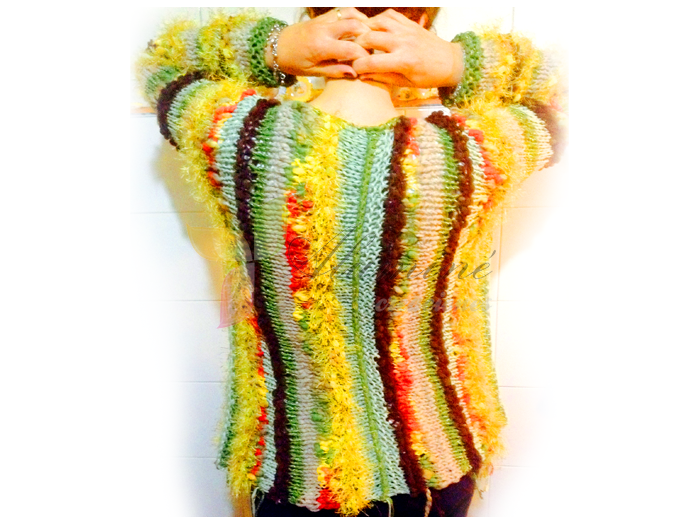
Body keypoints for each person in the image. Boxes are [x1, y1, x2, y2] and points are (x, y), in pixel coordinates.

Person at [136, 6, 566, 517]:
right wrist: (456, 63)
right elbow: (570, 94)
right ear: (423, 19)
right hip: (436, 458)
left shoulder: (238, 137)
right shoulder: (472, 153)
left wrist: (275, 48)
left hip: (292, 461)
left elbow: (158, 61)